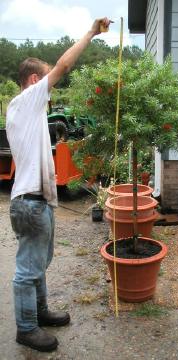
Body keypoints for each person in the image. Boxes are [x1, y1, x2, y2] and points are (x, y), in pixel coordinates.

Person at [6, 17, 112, 353]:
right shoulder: (26, 100)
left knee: (38, 262)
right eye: (47, 77)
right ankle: (26, 328)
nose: (51, 86)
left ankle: (39, 313)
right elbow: (65, 64)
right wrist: (92, 33)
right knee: (27, 268)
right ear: (35, 80)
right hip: (30, 202)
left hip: (36, 201)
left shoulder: (29, 111)